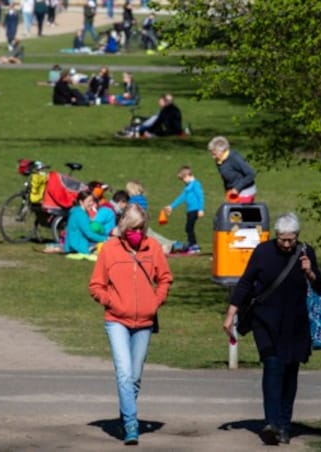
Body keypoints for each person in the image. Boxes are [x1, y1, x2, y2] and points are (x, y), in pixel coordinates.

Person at [222, 212, 321, 445]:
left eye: (291, 239)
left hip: (296, 324)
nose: (287, 244)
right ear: (276, 236)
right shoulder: (263, 252)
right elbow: (246, 282)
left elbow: (320, 287)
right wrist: (231, 314)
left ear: (297, 236)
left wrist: (310, 271)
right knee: (273, 367)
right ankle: (272, 423)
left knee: (290, 373)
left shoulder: (306, 253)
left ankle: (285, 425)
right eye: (282, 239)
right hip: (265, 321)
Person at [88, 203, 173, 446]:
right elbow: (96, 285)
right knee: (124, 373)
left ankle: (125, 410)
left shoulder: (153, 248)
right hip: (116, 320)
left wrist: (156, 301)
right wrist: (110, 302)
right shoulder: (110, 250)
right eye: (131, 228)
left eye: (139, 228)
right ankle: (131, 424)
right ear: (124, 228)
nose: (135, 233)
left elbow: (165, 278)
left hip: (144, 321)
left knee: (134, 376)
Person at [164, 166, 205, 254]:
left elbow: (200, 197)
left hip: (195, 210)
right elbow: (181, 198)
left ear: (187, 176)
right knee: (188, 228)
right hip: (190, 211)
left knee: (189, 227)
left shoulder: (195, 184)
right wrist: (171, 206)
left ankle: (194, 246)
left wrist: (201, 209)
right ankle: (192, 244)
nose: (183, 181)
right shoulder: (188, 187)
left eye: (183, 179)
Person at [208, 135, 257, 203]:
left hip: (245, 192)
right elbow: (226, 179)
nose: (213, 157)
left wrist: (237, 188)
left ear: (222, 150)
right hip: (232, 194)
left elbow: (251, 174)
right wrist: (227, 191)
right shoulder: (219, 161)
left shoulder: (234, 158)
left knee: (240, 213)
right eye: (212, 154)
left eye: (214, 154)